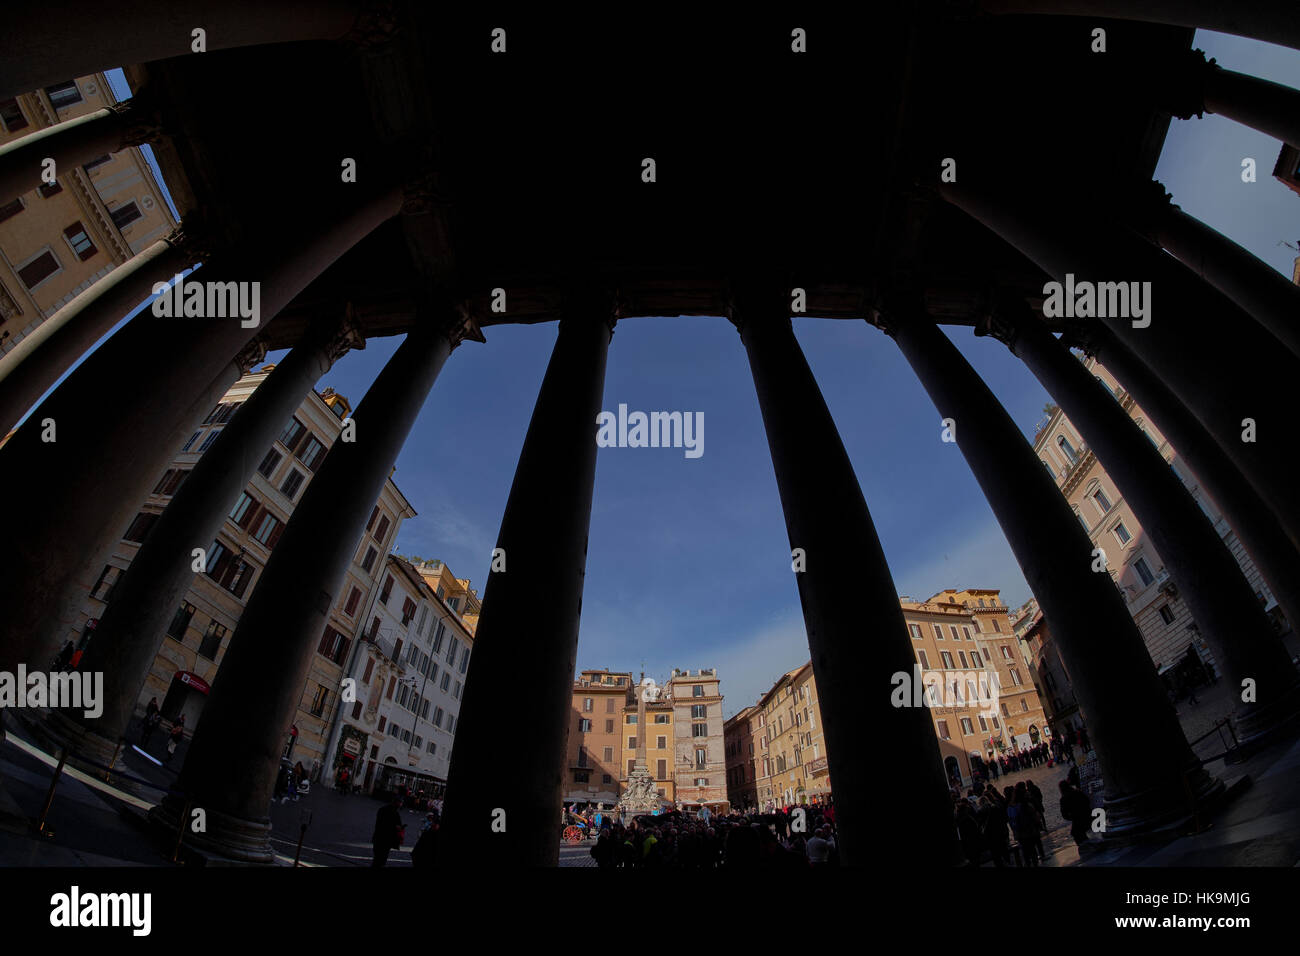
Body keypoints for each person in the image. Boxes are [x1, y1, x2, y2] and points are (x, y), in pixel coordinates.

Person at [372, 794, 404, 867]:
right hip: (386, 840)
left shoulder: (383, 809)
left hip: (378, 837)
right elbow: (394, 826)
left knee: (377, 859)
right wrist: (398, 828)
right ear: (397, 803)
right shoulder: (395, 813)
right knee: (381, 860)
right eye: (401, 803)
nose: (401, 804)